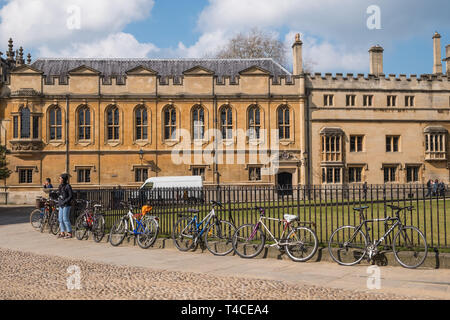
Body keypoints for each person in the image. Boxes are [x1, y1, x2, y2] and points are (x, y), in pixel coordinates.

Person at [57, 173, 73, 239]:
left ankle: (69, 233)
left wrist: (65, 201)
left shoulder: (68, 186)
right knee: (60, 219)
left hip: (66, 205)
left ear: (63, 179)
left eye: (60, 178)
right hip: (61, 204)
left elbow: (71, 196)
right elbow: (59, 194)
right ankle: (62, 232)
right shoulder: (60, 186)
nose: (59, 179)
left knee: (65, 219)